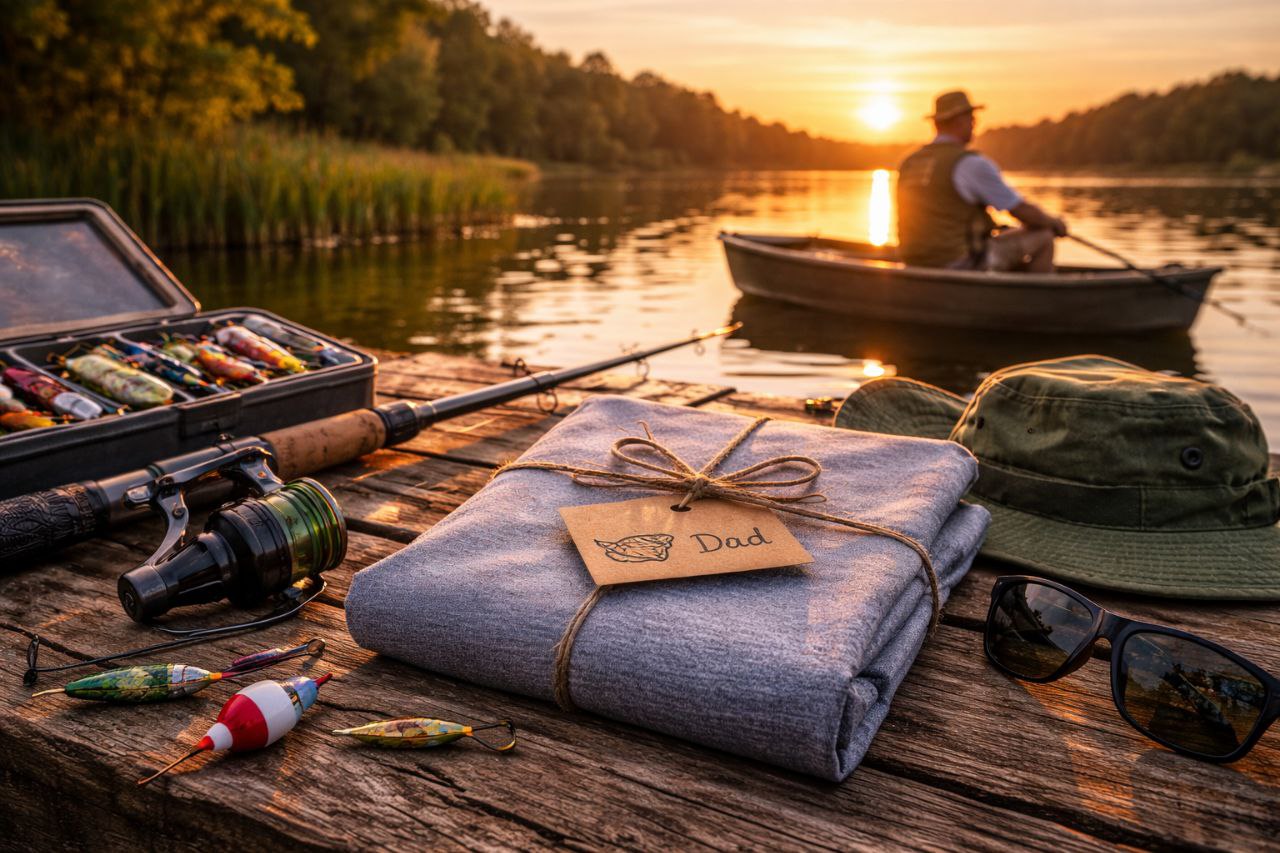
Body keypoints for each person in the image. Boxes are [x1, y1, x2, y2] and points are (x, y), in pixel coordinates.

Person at [896, 90, 1068, 272]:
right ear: (958, 120)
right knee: (1043, 236)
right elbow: (1020, 210)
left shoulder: (909, 162)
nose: (974, 122)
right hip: (960, 263)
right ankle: (1038, 298)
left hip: (913, 261)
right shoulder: (970, 164)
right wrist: (1053, 223)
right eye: (970, 117)